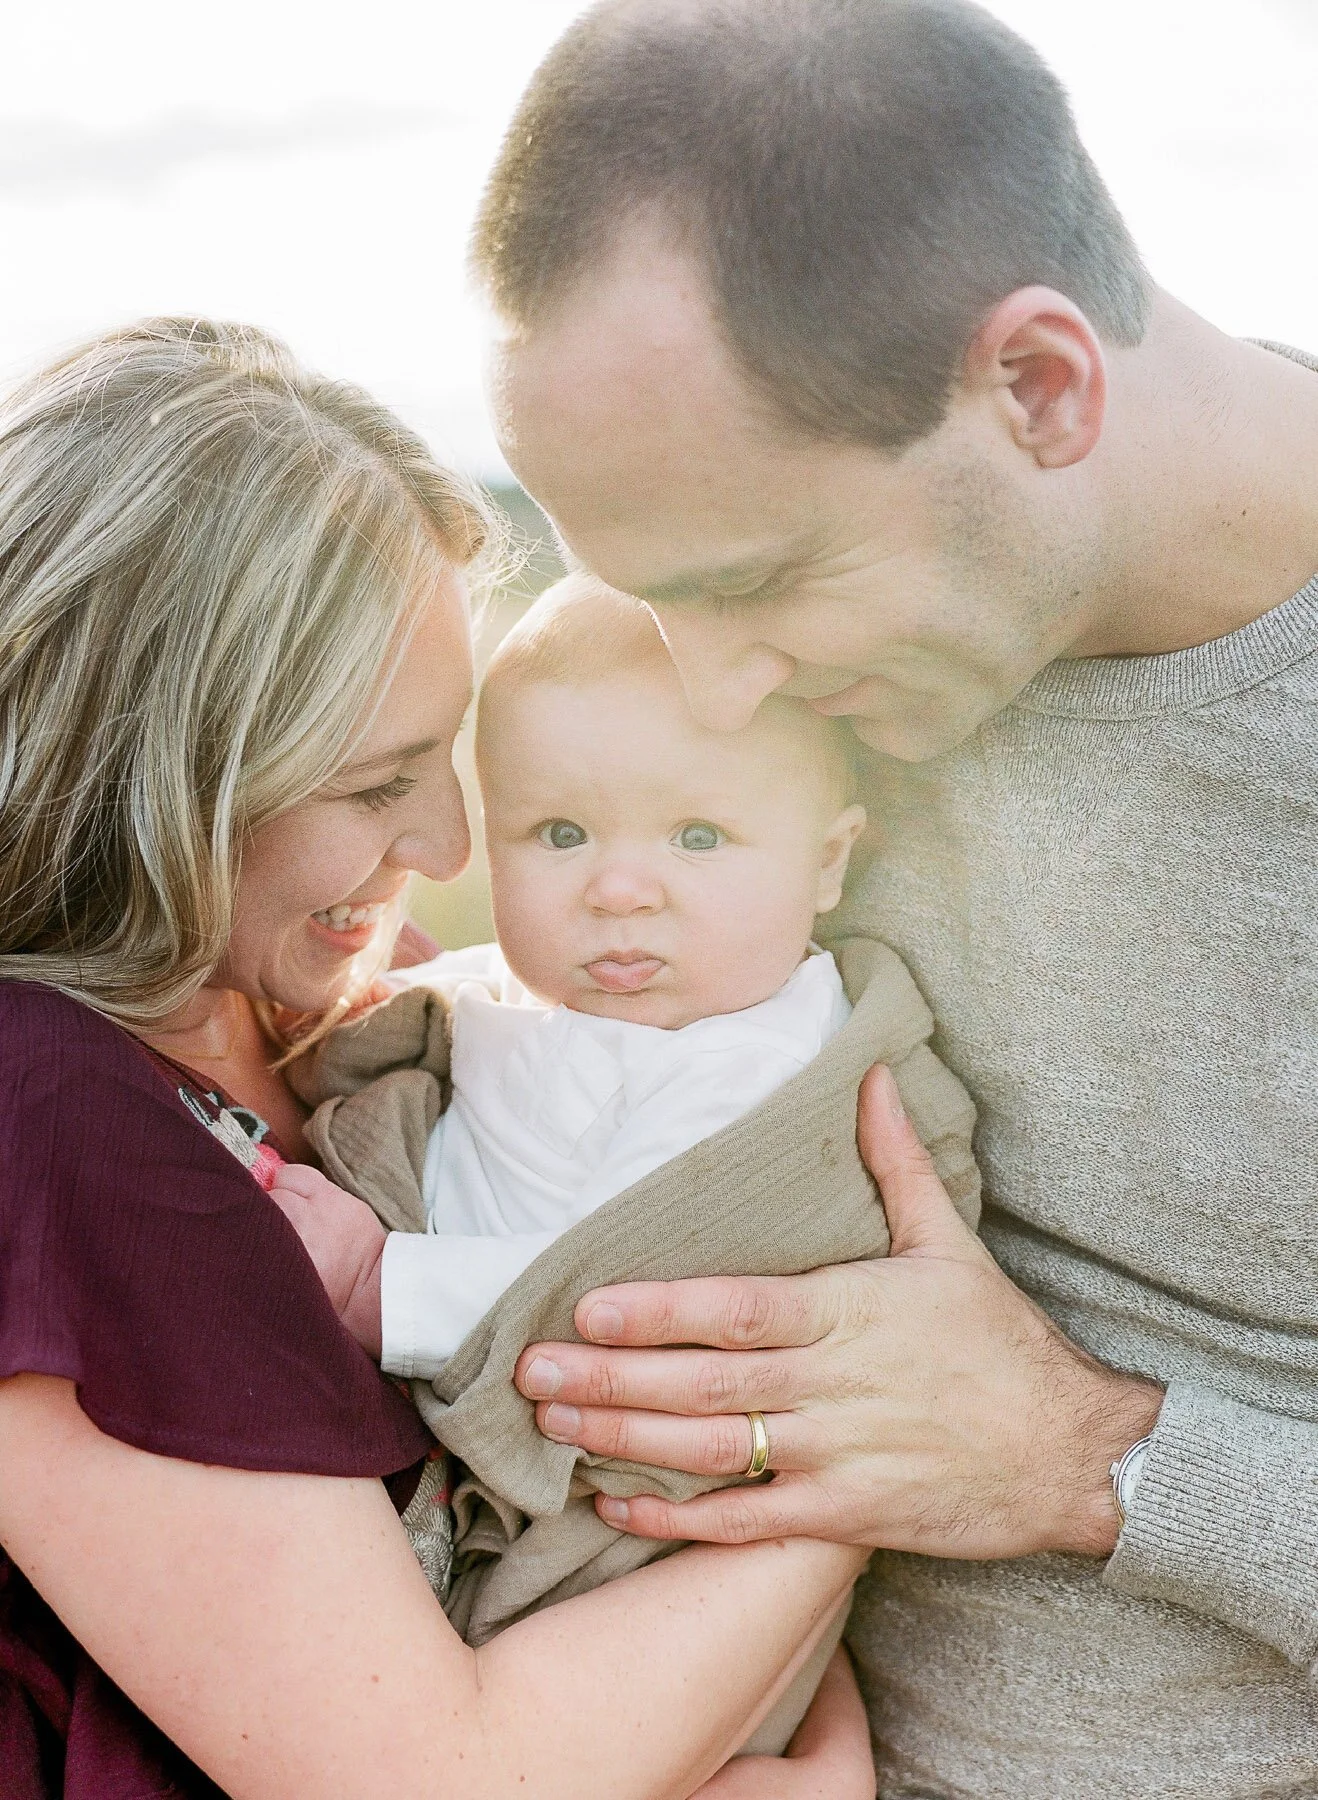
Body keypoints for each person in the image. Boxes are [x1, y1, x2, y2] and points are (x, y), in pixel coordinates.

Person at [465, 1, 1318, 1794]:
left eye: (756, 584)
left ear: (1037, 389)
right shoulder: (804, 690)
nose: (707, 701)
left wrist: (1098, 1460)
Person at [0, 317, 880, 1800]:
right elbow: (432, 1778)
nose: (447, 850)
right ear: (161, 778)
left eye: (448, 763)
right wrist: (861, 1464)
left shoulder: (373, 1016)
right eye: (373, 784)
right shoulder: (45, 1110)